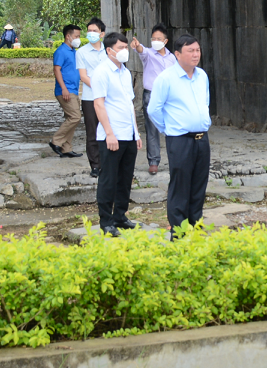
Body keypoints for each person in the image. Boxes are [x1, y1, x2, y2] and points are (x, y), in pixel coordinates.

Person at [146, 34, 211, 235]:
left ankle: (196, 226)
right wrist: (169, 129)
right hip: (180, 140)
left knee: (199, 185)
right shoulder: (166, 78)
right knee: (180, 186)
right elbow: (153, 110)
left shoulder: (202, 76)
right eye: (190, 51)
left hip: (202, 139)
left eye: (197, 50)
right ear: (177, 54)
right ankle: (179, 231)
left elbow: (205, 102)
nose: (195, 54)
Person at [89, 31, 143, 235]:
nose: (125, 51)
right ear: (109, 50)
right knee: (108, 179)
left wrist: (136, 133)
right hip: (111, 135)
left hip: (128, 134)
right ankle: (106, 221)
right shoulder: (102, 72)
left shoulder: (125, 72)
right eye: (120, 48)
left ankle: (120, 216)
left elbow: (129, 104)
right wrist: (109, 134)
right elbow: (98, 104)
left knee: (125, 178)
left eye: (126, 47)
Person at [131, 24, 176, 175]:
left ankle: (175, 159)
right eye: (153, 38)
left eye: (159, 39)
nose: (155, 41)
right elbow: (141, 50)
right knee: (151, 128)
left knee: (172, 128)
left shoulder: (172, 58)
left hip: (169, 95)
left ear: (165, 41)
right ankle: (153, 161)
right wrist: (137, 45)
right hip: (151, 94)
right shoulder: (148, 54)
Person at [77, 17, 108, 178]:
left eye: (94, 31)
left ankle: (108, 162)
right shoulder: (81, 52)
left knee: (109, 128)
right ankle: (95, 165)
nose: (91, 33)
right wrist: (98, 88)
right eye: (89, 31)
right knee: (92, 132)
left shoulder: (109, 51)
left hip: (108, 97)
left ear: (101, 34)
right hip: (90, 97)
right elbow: (83, 75)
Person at [49, 24, 84, 159]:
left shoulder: (73, 51)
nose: (78, 39)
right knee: (75, 117)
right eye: (76, 36)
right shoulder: (61, 51)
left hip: (73, 89)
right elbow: (57, 69)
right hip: (65, 90)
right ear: (68, 36)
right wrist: (63, 88)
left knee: (71, 118)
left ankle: (66, 148)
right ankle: (56, 141)